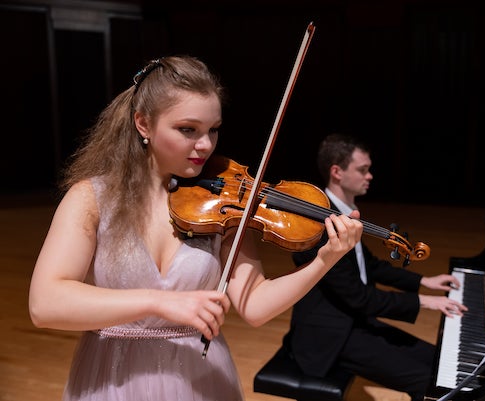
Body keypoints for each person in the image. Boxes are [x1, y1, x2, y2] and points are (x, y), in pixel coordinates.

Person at [28, 56, 363, 401]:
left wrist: (325, 259)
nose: (205, 145)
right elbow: (45, 304)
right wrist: (157, 303)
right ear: (143, 124)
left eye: (212, 130)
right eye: (188, 130)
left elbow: (257, 305)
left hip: (197, 378)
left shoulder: (223, 203)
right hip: (112, 377)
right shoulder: (91, 198)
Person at [283, 133, 468, 401]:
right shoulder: (322, 224)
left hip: (353, 321)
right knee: (429, 382)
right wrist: (425, 302)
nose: (369, 176)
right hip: (329, 337)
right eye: (363, 170)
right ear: (337, 172)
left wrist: (423, 281)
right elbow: (360, 298)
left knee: (440, 363)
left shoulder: (346, 212)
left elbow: (369, 265)